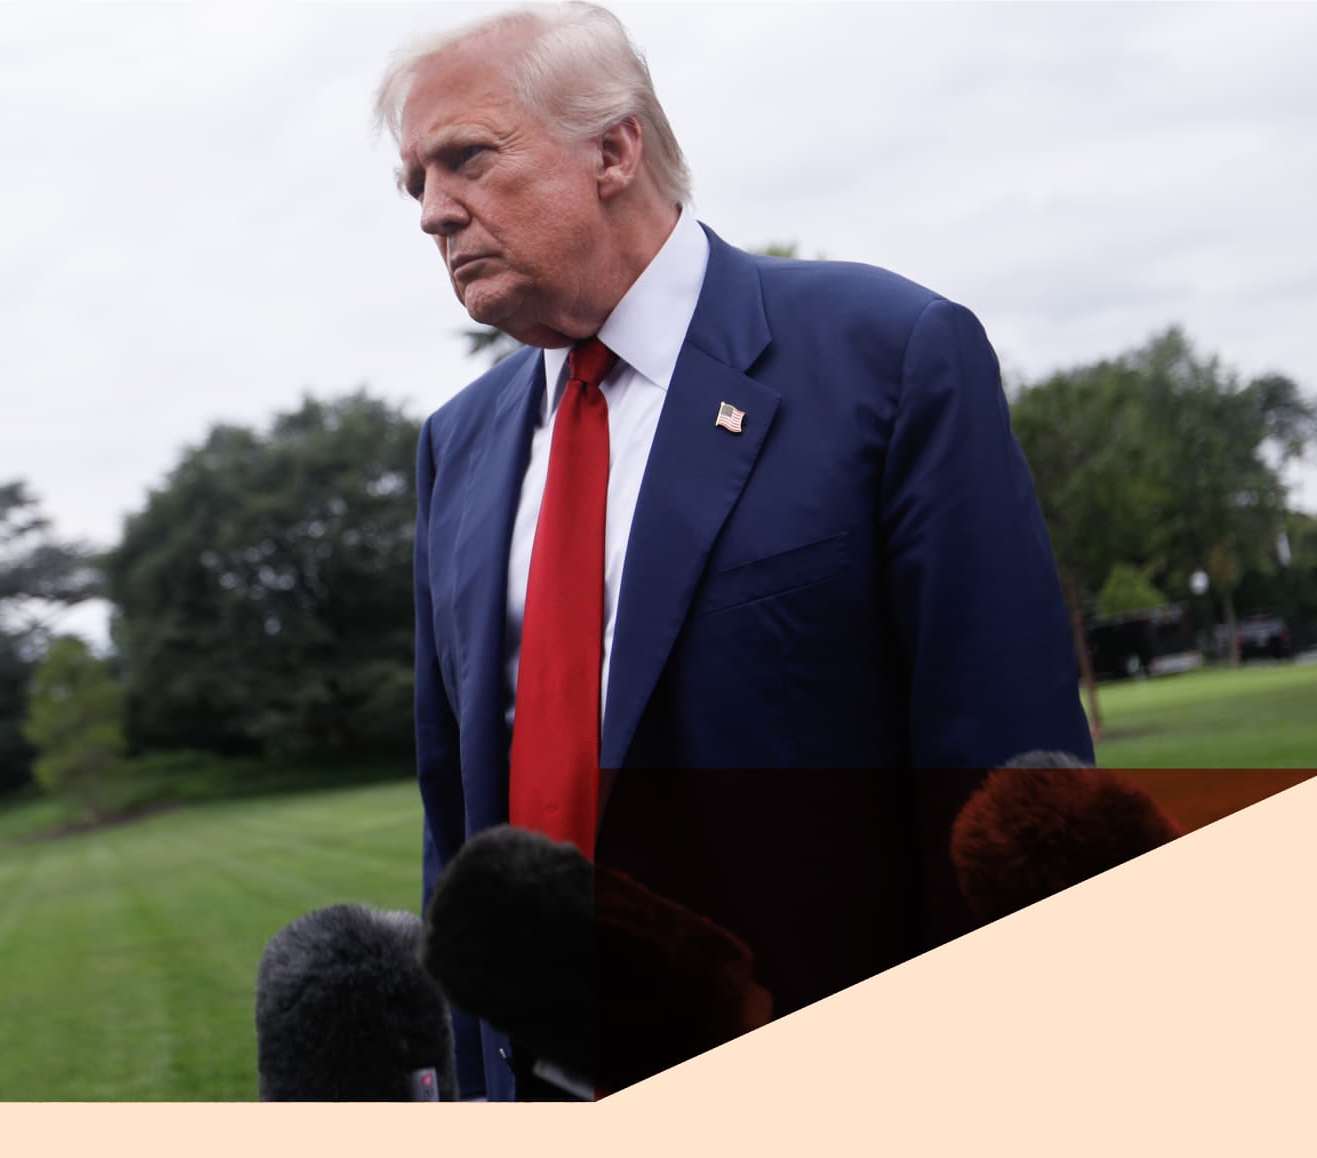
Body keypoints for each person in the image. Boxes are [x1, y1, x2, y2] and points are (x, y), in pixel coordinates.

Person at [376, 3, 1093, 1099]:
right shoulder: (456, 448)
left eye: (465, 158)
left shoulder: (890, 357)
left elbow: (999, 797)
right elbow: (453, 825)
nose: (433, 212)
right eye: (414, 182)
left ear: (613, 148)